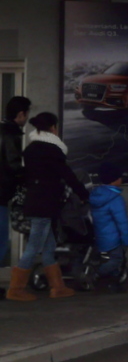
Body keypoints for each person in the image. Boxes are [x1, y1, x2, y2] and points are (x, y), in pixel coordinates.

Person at [6, 112, 88, 301]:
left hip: (34, 201)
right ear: (53, 128)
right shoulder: (53, 150)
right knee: (34, 245)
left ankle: (57, 287)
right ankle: (16, 289)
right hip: (44, 203)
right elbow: (67, 174)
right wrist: (83, 194)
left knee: (48, 246)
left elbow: (24, 175)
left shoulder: (31, 149)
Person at [0, 96, 31, 298]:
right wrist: (28, 176)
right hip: (1, 194)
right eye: (27, 113)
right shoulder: (10, 134)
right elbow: (12, 164)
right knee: (1, 241)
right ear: (21, 115)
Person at [90, 161, 128, 293]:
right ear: (115, 179)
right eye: (120, 177)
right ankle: (96, 274)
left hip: (99, 235)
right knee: (117, 259)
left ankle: (112, 285)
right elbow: (122, 222)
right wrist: (127, 241)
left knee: (110, 261)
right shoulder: (115, 199)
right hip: (113, 238)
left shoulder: (96, 194)